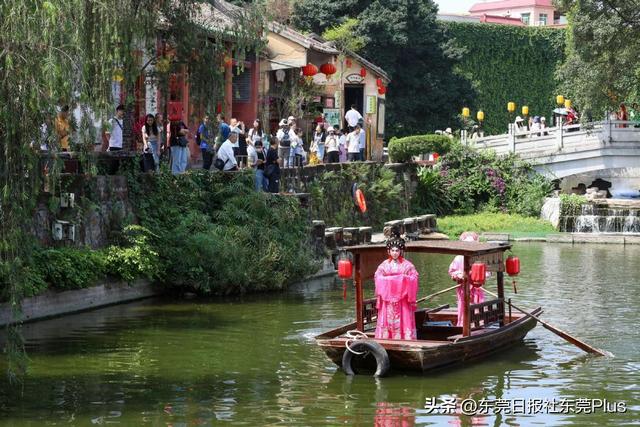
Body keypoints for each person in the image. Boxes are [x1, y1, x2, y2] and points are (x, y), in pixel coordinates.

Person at [374, 233, 419, 340]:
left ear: (401, 251)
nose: (395, 253)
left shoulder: (407, 265)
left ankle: (405, 338)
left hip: (402, 299)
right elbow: (377, 277)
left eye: (397, 250)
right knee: (387, 318)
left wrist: (404, 279)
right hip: (388, 299)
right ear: (389, 251)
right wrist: (392, 280)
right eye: (393, 250)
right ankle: (386, 338)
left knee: (404, 317)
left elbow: (415, 277)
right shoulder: (384, 265)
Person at [448, 232, 487, 327]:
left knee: (477, 306)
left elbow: (487, 272)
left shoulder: (479, 258)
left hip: (476, 288)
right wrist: (459, 275)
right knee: (463, 307)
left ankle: (478, 325)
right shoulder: (458, 258)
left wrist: (477, 277)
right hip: (463, 288)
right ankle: (463, 325)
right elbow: (452, 271)